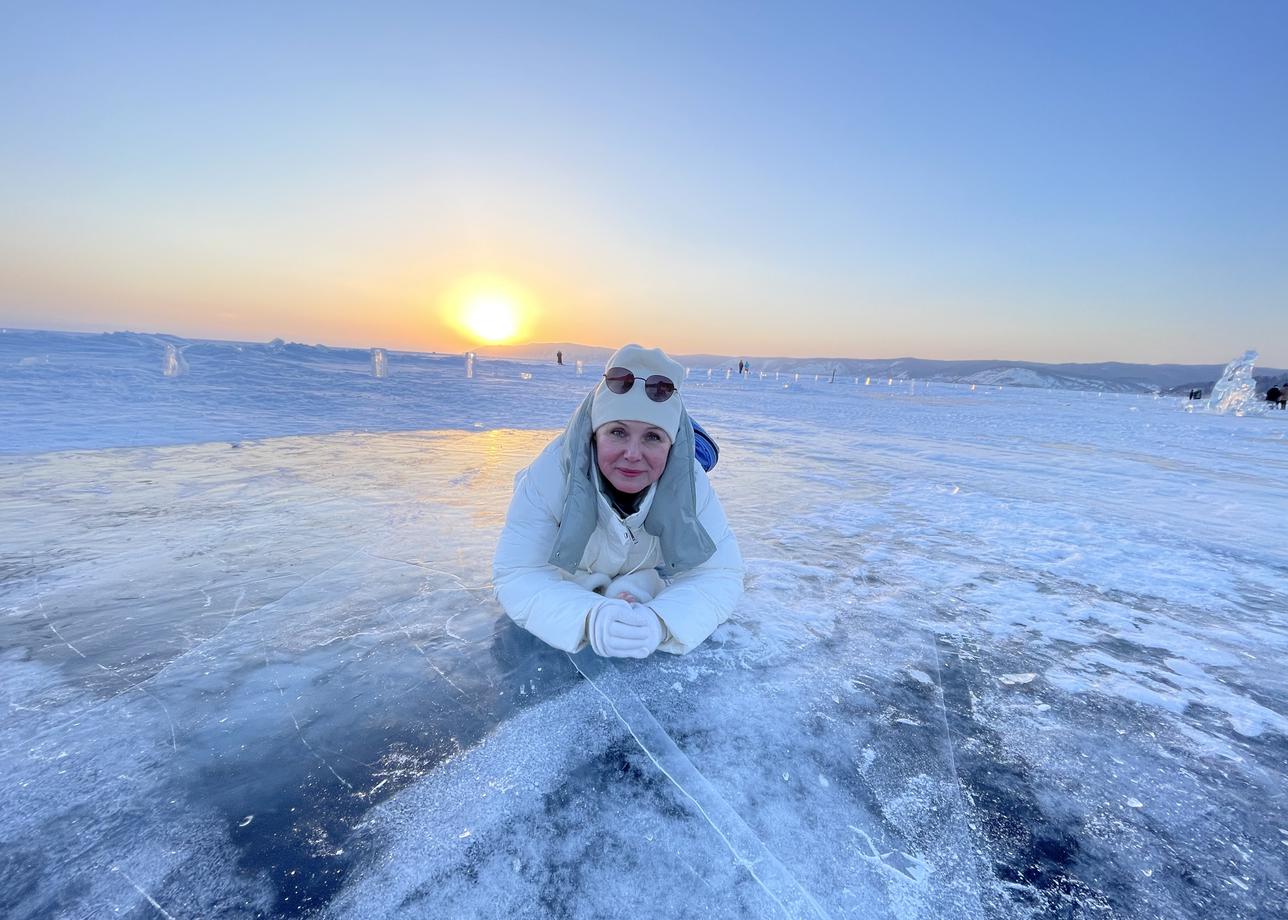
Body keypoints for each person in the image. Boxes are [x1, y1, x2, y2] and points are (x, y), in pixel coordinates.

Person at [493, 344, 744, 658]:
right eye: (617, 432)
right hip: (575, 573)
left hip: (642, 570)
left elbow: (719, 573)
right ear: (595, 434)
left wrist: (663, 622)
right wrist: (587, 617)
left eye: (653, 436)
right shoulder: (551, 474)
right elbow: (519, 572)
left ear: (672, 444)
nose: (633, 454)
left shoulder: (690, 482)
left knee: (650, 580)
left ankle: (632, 587)